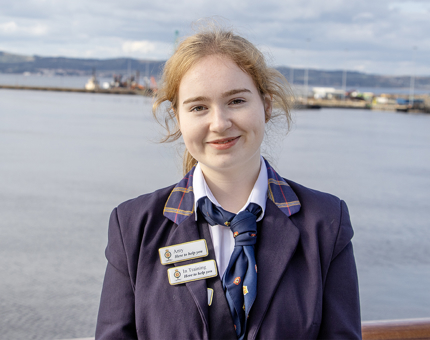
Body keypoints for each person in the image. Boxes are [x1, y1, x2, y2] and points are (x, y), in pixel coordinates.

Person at [95, 24, 361, 340]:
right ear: (178, 117)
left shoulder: (326, 222)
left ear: (266, 105)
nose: (220, 123)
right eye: (198, 107)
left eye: (236, 101)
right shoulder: (133, 226)